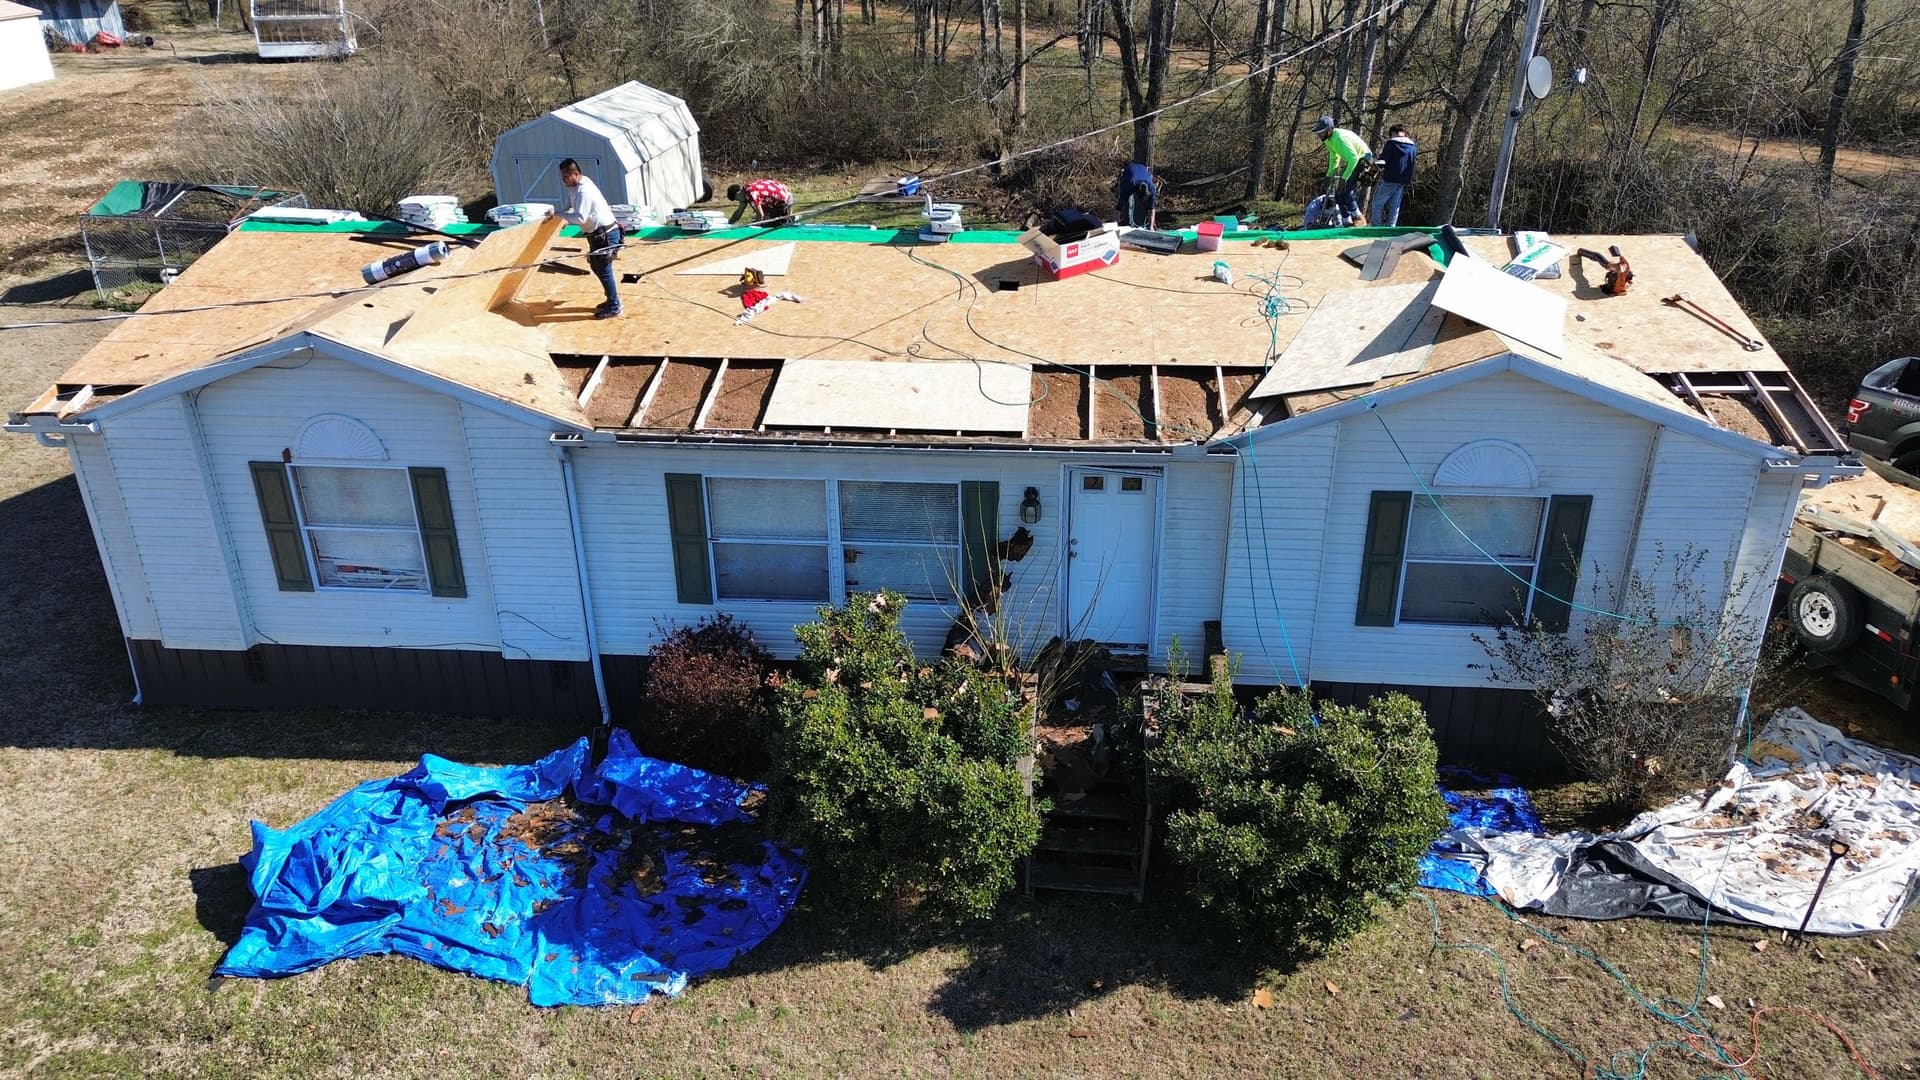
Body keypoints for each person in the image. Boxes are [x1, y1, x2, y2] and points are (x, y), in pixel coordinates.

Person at [557, 157, 622, 319]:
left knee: (604, 269)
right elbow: (570, 202)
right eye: (563, 177)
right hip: (596, 235)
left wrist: (561, 216)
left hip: (606, 234)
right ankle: (611, 299)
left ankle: (615, 306)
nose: (564, 180)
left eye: (566, 177)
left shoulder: (583, 191)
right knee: (595, 265)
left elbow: (580, 218)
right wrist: (561, 214)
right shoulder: (575, 186)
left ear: (576, 174)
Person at [1312, 115, 1372, 223]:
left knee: (1346, 192)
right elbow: (1334, 158)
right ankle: (1346, 221)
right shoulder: (1328, 140)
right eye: (1318, 133)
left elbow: (1354, 158)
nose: (1319, 135)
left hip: (1363, 159)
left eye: (1321, 132)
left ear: (1329, 130)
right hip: (1353, 160)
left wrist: (1344, 178)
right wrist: (1329, 176)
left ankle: (1358, 218)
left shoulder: (1340, 138)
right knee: (1338, 194)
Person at [1371, 124, 1418, 227]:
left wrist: (1374, 165)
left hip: (1390, 178)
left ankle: (1376, 226)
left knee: (1378, 203)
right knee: (1394, 205)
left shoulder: (1392, 144)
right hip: (1403, 180)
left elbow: (1383, 161)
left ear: (1393, 133)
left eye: (1391, 134)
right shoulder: (1413, 147)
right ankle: (1391, 226)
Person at [727, 179, 794, 224]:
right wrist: (729, 223)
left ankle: (787, 218)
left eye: (737, 199)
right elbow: (738, 213)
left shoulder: (750, 193)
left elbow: (760, 215)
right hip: (784, 194)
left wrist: (755, 226)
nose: (739, 201)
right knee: (761, 218)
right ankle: (785, 216)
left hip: (785, 200)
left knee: (767, 223)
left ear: (737, 193)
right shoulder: (746, 190)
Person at [1114, 161, 1157, 228]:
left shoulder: (1151, 189)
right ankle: (1125, 220)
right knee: (1123, 201)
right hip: (1130, 175)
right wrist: (1114, 225)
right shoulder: (1128, 184)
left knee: (1150, 205)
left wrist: (1151, 227)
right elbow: (1118, 207)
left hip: (1141, 171)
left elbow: (1152, 208)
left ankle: (1151, 225)